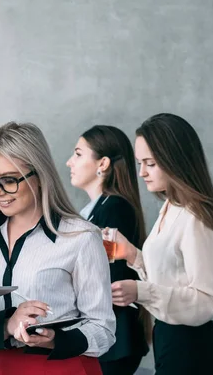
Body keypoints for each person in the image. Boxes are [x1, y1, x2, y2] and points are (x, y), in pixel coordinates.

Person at [0, 122, 115, 375]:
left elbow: (104, 331)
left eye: (9, 180)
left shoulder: (81, 237)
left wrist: (54, 339)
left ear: (40, 176)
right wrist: (8, 325)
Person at [110, 113, 213, 374]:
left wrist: (139, 291)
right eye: (140, 163)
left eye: (150, 163)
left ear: (175, 160)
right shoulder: (171, 206)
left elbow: (207, 301)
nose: (141, 172)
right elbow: (172, 277)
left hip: (190, 348)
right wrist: (133, 256)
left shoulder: (197, 218)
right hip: (167, 339)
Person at [66, 125, 150, 375]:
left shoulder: (114, 208)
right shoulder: (98, 208)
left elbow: (102, 275)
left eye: (78, 154)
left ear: (102, 163)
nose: (70, 162)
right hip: (112, 338)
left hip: (115, 339)